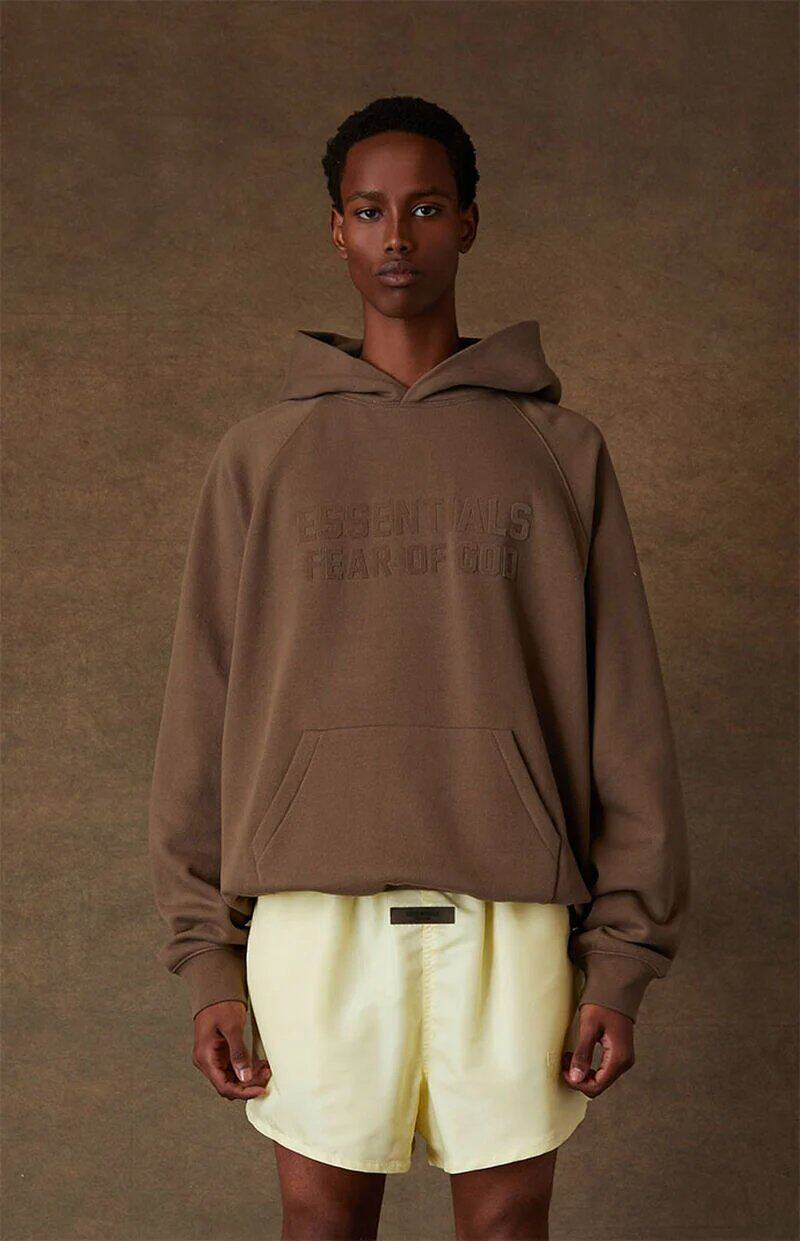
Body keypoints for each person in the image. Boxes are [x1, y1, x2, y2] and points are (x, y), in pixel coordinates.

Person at [148, 94, 691, 1240]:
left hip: (510, 915)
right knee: (320, 1225)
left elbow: (625, 716)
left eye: (426, 208)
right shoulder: (259, 457)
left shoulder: (558, 451)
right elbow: (203, 708)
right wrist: (208, 959)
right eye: (367, 210)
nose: (396, 236)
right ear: (335, 230)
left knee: (505, 1228)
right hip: (311, 916)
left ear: (468, 224)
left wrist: (618, 960)